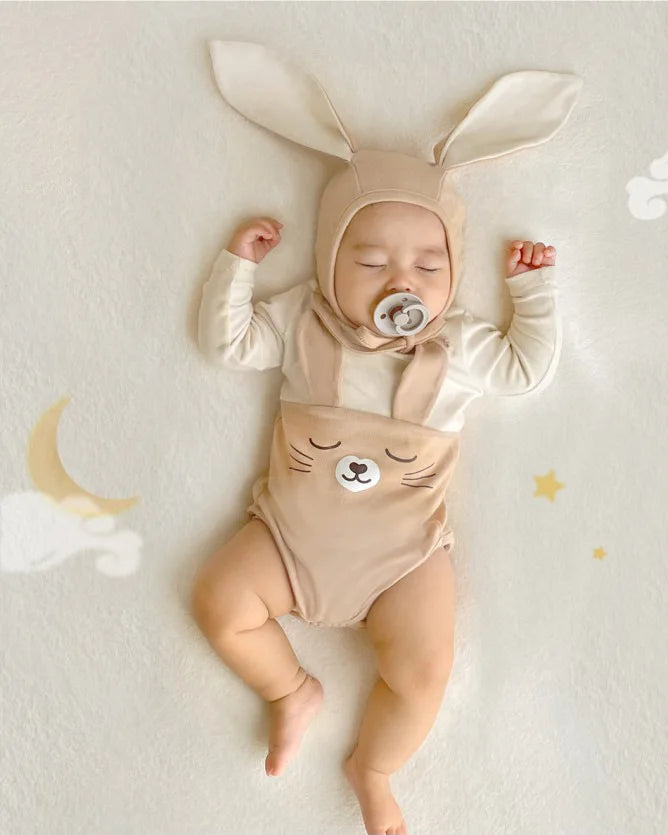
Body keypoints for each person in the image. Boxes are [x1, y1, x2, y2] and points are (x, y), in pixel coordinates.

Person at [192, 199, 557, 835]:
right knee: (218, 602)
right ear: (329, 263)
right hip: (287, 542)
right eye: (370, 262)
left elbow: (525, 370)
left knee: (425, 670)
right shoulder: (305, 316)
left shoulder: (458, 343)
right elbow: (228, 343)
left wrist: (531, 291)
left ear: (453, 273)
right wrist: (239, 266)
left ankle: (374, 768)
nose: (400, 282)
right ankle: (289, 689)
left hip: (403, 559)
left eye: (427, 266)